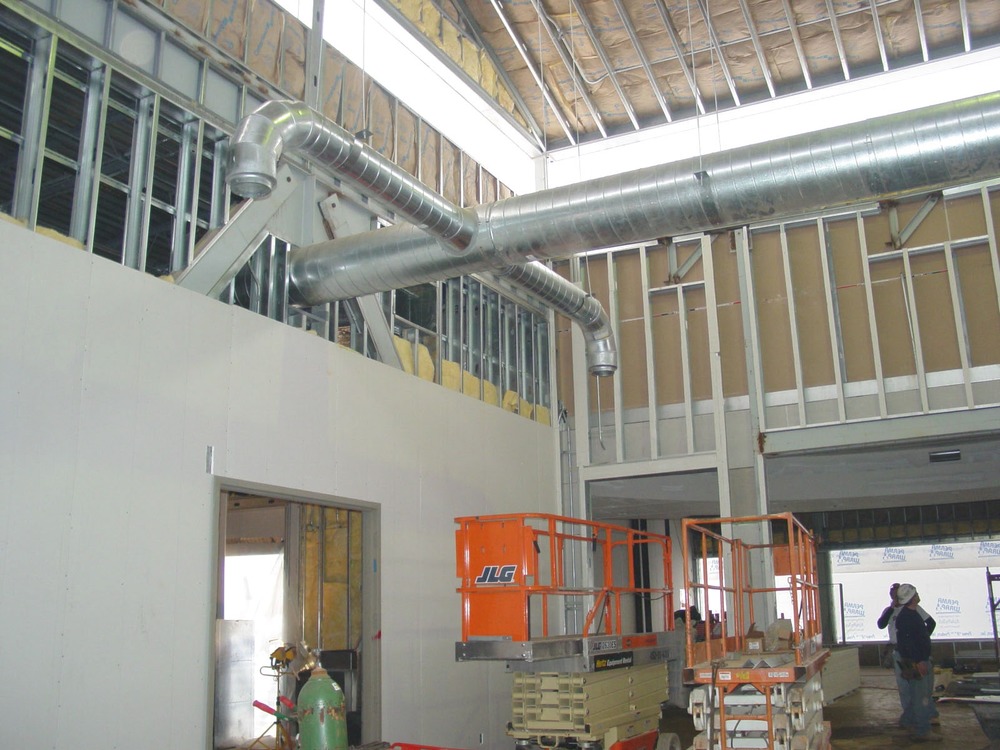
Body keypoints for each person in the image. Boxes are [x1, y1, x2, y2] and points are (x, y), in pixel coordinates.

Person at [876, 583, 939, 729]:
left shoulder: (913, 610)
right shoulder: (891, 611)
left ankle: (927, 714)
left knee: (921, 687)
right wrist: (892, 608)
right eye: (892, 594)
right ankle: (910, 716)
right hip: (900, 652)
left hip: (912, 652)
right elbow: (881, 624)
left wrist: (921, 640)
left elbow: (931, 623)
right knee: (906, 687)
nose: (894, 596)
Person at [894, 583, 940, 742]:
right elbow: (908, 643)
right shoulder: (907, 617)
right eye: (916, 593)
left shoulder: (912, 614)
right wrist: (919, 661)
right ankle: (922, 730)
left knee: (918, 694)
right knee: (922, 697)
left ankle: (907, 721)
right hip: (915, 661)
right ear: (912, 598)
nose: (918, 594)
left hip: (917, 659)